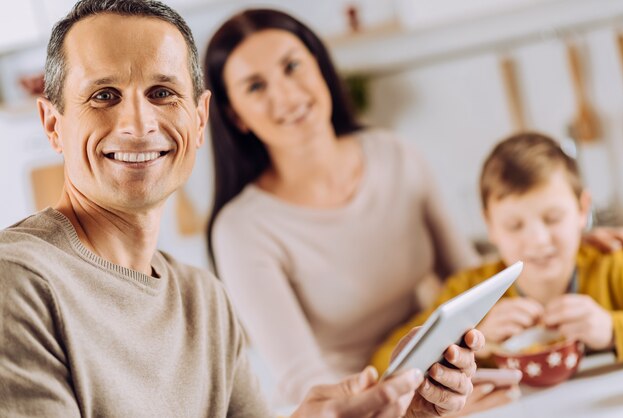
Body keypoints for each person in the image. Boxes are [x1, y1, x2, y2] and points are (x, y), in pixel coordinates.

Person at [0, 1, 484, 417]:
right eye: (104, 96)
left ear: (200, 117)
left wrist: (401, 407)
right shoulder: (19, 283)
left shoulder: (203, 301)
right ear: (52, 124)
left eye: (163, 93)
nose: (138, 123)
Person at [204, 8, 623, 410]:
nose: (285, 93)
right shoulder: (242, 229)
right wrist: (408, 405)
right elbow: (305, 382)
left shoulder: (394, 155)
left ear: (319, 67)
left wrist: (561, 245)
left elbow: (470, 284)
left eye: (293, 66)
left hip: (439, 377)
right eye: (255, 86)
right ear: (234, 115)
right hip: (362, 403)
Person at [371, 132, 623, 375]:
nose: (538, 241)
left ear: (583, 209)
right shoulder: (468, 292)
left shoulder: (613, 266)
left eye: (553, 218)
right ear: (490, 225)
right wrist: (467, 339)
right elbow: (384, 364)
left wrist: (613, 329)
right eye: (514, 226)